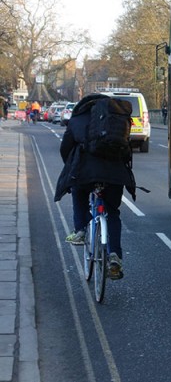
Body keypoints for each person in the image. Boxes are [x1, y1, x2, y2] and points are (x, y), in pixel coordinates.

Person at [54, 93, 137, 280]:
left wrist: (70, 167)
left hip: (86, 173)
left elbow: (65, 148)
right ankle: (114, 255)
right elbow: (126, 148)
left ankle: (81, 230)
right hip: (115, 174)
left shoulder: (77, 119)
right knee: (113, 212)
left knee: (78, 192)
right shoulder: (116, 120)